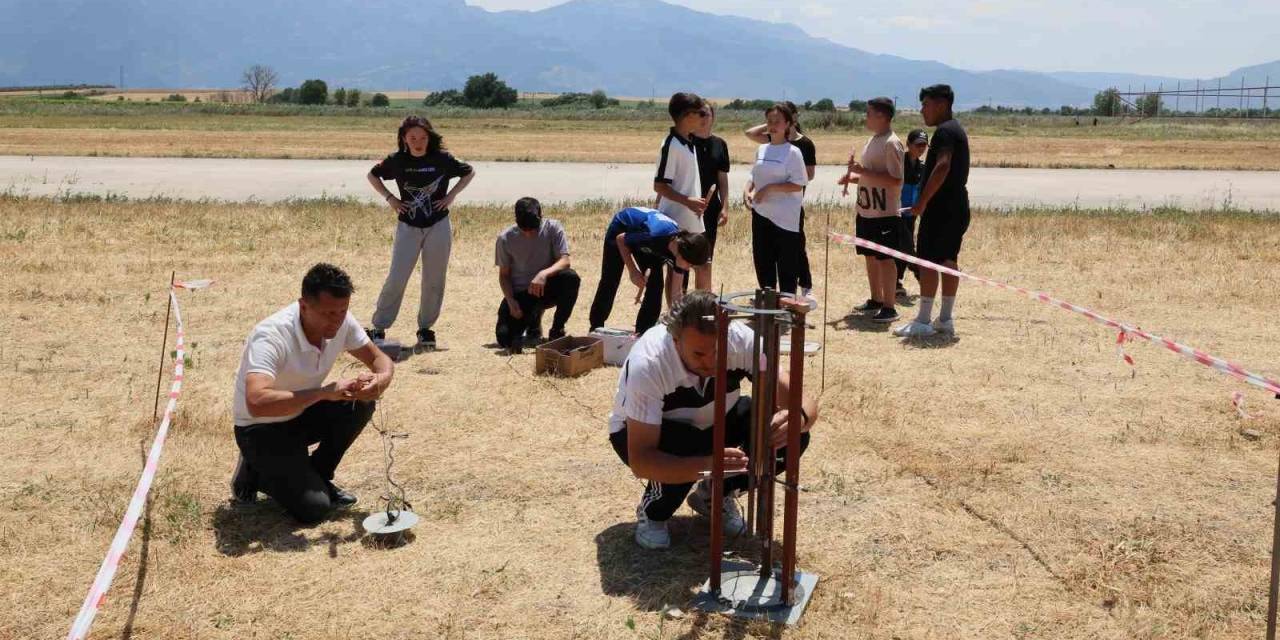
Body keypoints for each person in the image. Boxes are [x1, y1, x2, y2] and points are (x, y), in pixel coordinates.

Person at [608, 291, 820, 549]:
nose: (710, 362)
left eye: (717, 350)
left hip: (716, 419)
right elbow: (642, 459)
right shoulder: (649, 363)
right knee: (687, 447)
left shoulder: (742, 340)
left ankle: (715, 494)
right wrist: (708, 465)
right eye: (698, 354)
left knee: (793, 435)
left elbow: (798, 398)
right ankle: (654, 512)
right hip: (647, 433)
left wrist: (798, 418)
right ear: (675, 341)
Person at [230, 263, 396, 524]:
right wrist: (323, 393)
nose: (337, 320)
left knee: (360, 403)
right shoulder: (271, 335)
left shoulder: (342, 321)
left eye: (343, 311)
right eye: (329, 313)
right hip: (260, 429)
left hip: (300, 414)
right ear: (303, 305)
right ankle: (253, 470)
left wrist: (380, 380)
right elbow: (257, 402)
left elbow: (379, 360)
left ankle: (318, 476)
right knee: (314, 510)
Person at [365, 115, 476, 353]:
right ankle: (378, 327)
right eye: (413, 137)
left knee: (434, 278)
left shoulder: (443, 159)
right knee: (397, 276)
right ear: (404, 138)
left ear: (429, 138)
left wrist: (451, 196)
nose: (418, 142)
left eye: (423, 137)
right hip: (408, 226)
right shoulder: (396, 160)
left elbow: (469, 172)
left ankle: (426, 328)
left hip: (438, 225)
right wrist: (391, 199)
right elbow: (372, 175)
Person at [894, 84, 971, 338]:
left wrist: (923, 202)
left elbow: (942, 166)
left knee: (927, 261)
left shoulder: (944, 133)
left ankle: (924, 319)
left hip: (941, 207)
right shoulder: (956, 129)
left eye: (926, 104)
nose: (922, 110)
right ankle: (945, 319)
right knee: (948, 260)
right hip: (957, 205)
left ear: (940, 104)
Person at [588, 207, 710, 334]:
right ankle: (596, 325)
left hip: (649, 243)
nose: (688, 268)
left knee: (656, 284)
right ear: (682, 253)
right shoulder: (655, 235)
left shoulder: (680, 254)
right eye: (689, 264)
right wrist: (633, 271)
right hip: (623, 228)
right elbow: (621, 239)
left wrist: (681, 323)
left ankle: (643, 331)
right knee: (611, 278)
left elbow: (676, 294)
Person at [839, 97, 905, 324]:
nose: (865, 117)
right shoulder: (873, 140)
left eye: (869, 113)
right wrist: (854, 177)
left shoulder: (891, 143)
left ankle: (890, 306)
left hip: (885, 213)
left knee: (885, 259)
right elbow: (871, 176)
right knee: (869, 256)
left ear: (882, 116)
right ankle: (876, 299)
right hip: (866, 210)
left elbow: (895, 180)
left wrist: (862, 170)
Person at [745, 101, 818, 306]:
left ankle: (787, 307)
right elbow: (754, 174)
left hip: (785, 218)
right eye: (769, 121)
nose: (772, 125)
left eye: (778, 121)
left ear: (788, 124)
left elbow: (798, 183)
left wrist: (769, 189)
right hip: (761, 214)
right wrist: (748, 190)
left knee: (786, 264)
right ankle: (768, 304)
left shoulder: (793, 152)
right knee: (763, 261)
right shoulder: (762, 149)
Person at [494, 197, 580, 354]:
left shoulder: (553, 228)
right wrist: (511, 300)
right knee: (504, 339)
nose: (528, 233)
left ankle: (556, 330)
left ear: (541, 216)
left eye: (533, 228)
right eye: (523, 229)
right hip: (523, 294)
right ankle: (532, 321)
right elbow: (504, 275)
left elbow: (565, 260)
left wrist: (543, 274)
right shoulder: (505, 238)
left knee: (571, 278)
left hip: (546, 288)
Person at [654, 92, 710, 295]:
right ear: (688, 115)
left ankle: (697, 312)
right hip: (675, 219)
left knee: (701, 264)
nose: (704, 117)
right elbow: (660, 185)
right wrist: (688, 201)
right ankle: (674, 316)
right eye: (701, 113)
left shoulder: (689, 141)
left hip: (692, 217)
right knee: (677, 271)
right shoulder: (671, 145)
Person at [689, 102, 730, 291]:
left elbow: (722, 178)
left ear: (713, 117)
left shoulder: (719, 144)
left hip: (711, 208)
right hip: (687, 205)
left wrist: (725, 207)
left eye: (707, 114)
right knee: (681, 258)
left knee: (706, 258)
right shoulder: (685, 142)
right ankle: (678, 304)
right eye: (699, 114)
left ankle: (702, 301)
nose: (703, 118)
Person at [896, 129, 928, 298]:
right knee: (906, 246)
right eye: (918, 145)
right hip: (896, 212)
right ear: (908, 145)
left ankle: (897, 282)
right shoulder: (899, 162)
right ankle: (919, 273)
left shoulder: (923, 167)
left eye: (924, 145)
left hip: (912, 212)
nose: (921, 148)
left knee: (905, 246)